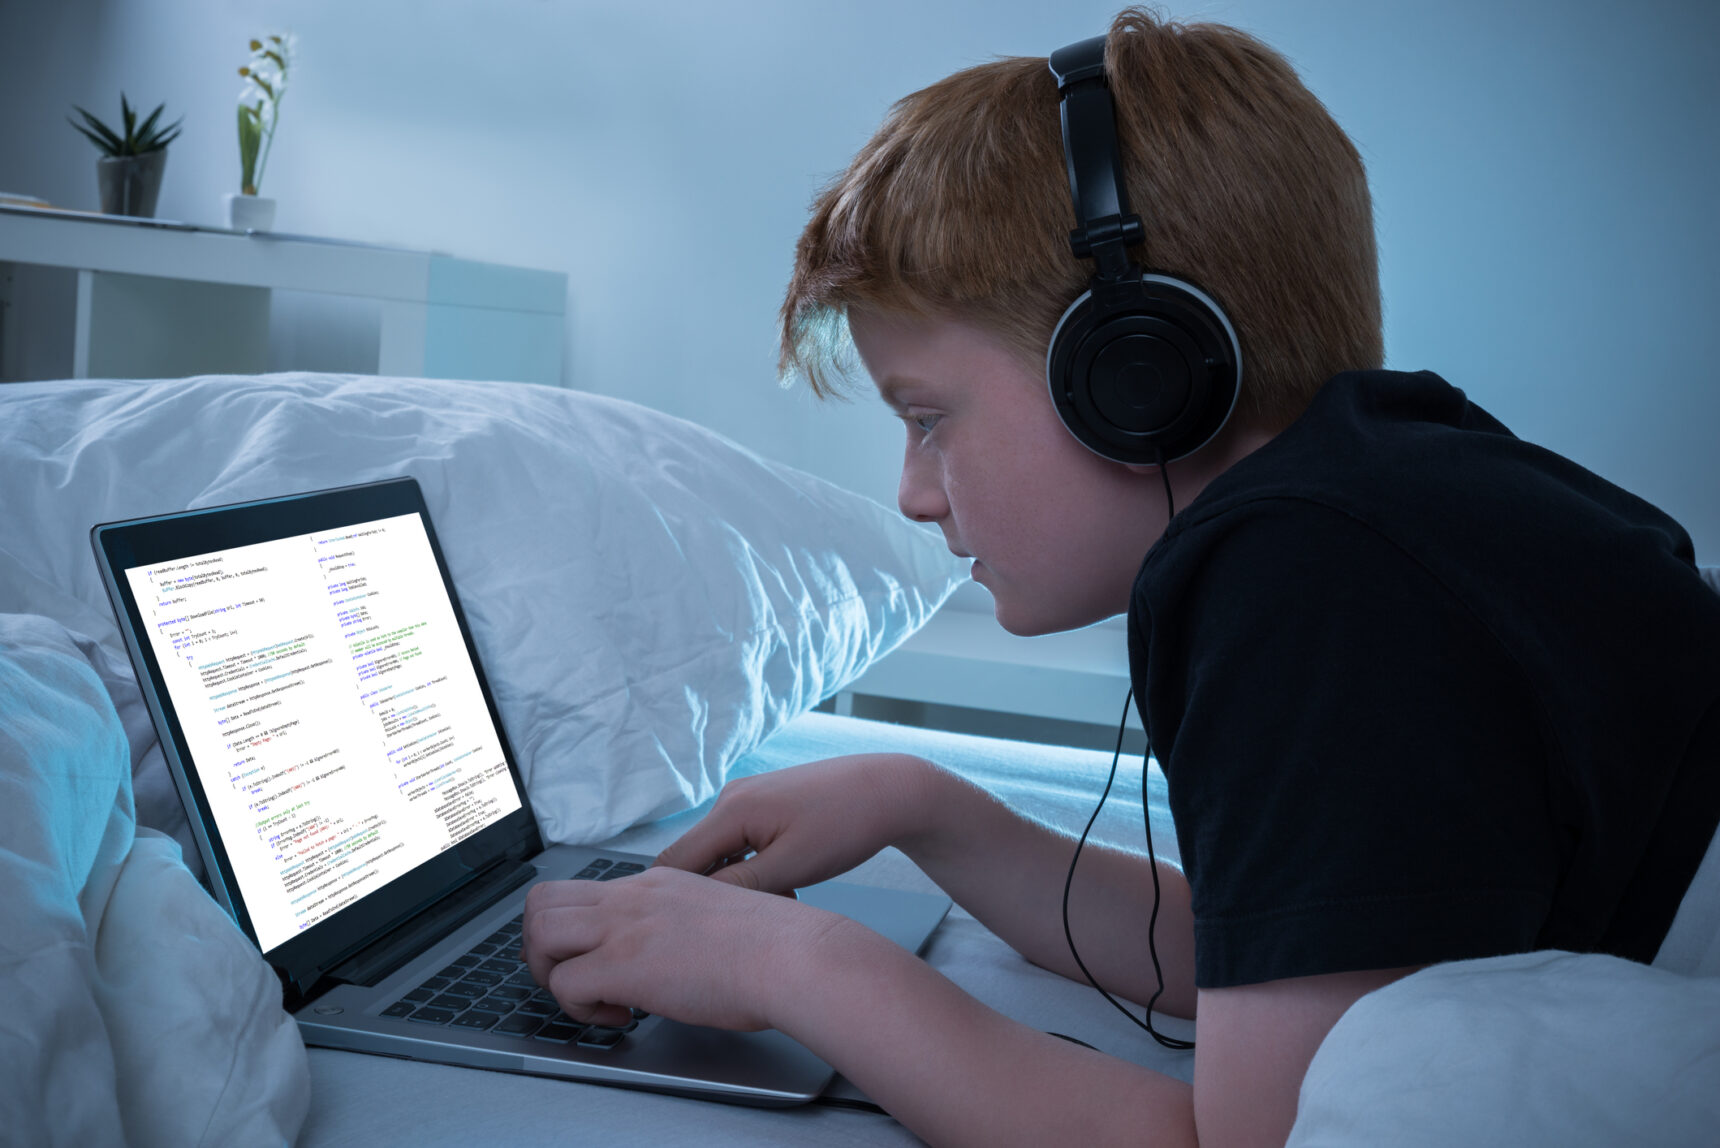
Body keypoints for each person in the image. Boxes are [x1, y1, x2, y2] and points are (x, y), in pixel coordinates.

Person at [521, 8, 1720, 1145]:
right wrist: (927, 807)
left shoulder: (1306, 571)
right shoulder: (1380, 503)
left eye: (928, 417)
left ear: (1134, 373)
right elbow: (1282, 956)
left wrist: (788, 963)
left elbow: (1247, 1137)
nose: (914, 490)